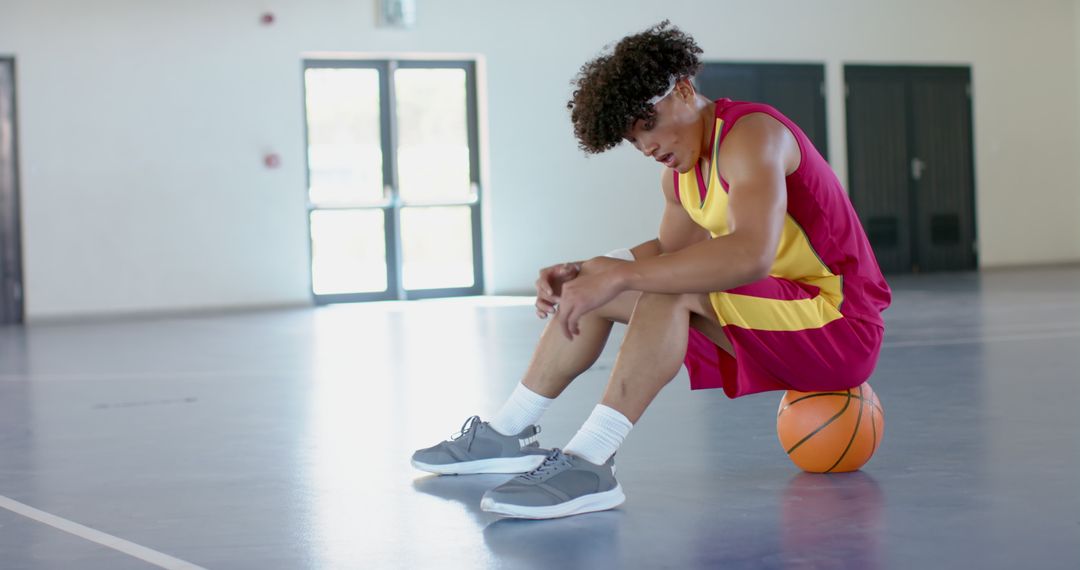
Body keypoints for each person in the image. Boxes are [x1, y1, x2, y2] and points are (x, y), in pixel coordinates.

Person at [411, 21, 891, 520]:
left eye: (647, 124)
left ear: (683, 89)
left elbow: (751, 253)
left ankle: (591, 460)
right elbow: (670, 253)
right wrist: (590, 268)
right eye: (631, 139)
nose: (645, 146)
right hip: (781, 317)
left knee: (666, 289)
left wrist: (620, 275)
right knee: (598, 284)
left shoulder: (753, 135)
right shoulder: (680, 176)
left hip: (840, 325)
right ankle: (510, 431)